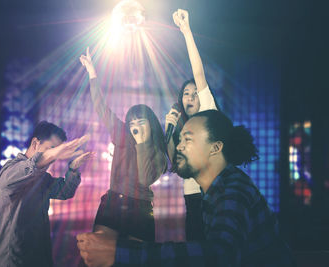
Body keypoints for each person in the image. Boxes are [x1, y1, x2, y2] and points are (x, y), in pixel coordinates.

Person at [77, 110, 295, 267]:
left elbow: (221, 255)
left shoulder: (233, 190)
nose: (179, 146)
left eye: (187, 139)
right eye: (180, 139)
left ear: (216, 148)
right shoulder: (214, 191)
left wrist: (119, 253)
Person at [79, 47, 168, 243]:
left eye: (141, 121)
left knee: (136, 259)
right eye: (132, 122)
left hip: (141, 209)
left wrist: (142, 144)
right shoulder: (122, 135)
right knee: (100, 258)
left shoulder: (158, 152)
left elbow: (145, 179)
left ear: (151, 124)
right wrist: (92, 74)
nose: (135, 126)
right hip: (113, 202)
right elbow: (101, 108)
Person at [0, 121, 92, 267]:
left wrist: (73, 169)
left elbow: (65, 191)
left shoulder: (42, 178)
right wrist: (53, 154)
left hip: (38, 257)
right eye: (51, 149)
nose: (55, 157)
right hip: (12, 261)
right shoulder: (10, 171)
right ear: (35, 143)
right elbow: (30, 167)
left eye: (57, 152)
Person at [165, 9, 218, 241]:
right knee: (194, 248)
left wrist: (186, 31)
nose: (190, 96)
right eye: (186, 93)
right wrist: (168, 134)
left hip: (213, 193)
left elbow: (198, 71)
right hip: (192, 197)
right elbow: (176, 166)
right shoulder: (182, 130)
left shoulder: (208, 113)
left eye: (195, 92)